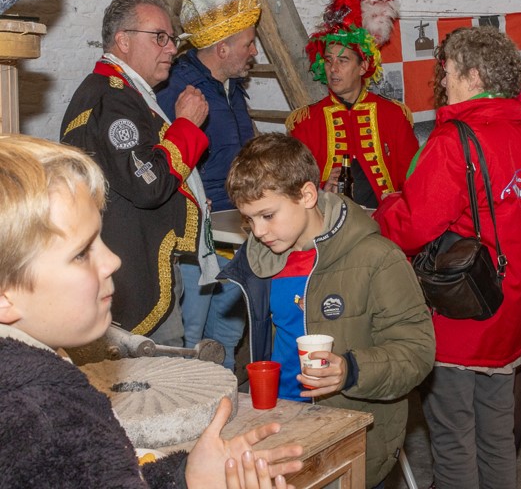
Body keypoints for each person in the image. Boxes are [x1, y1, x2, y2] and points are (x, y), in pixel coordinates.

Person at [0, 135, 303, 489]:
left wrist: (186, 478)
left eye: (101, 239)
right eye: (81, 253)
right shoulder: (45, 420)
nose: (113, 260)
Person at [375, 27, 521, 489]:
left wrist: (387, 204)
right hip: (510, 315)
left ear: (472, 75)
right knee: (498, 437)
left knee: (451, 441)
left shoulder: (453, 142)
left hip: (457, 317)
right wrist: (516, 264)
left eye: (446, 72)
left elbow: (410, 226)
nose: (442, 83)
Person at [221, 133, 435, 488]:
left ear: (306, 195)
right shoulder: (260, 263)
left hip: (347, 438)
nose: (258, 232)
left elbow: (417, 351)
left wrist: (350, 369)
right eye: (249, 220)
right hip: (275, 433)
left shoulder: (377, 259)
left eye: (268, 215)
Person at [61, 0, 216, 346]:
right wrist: (187, 126)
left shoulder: (122, 94)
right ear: (123, 40)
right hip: (133, 270)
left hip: (133, 258)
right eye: (159, 37)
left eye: (172, 39)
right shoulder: (113, 98)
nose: (171, 48)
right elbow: (147, 183)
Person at [157, 0, 259, 370]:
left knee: (229, 334)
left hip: (235, 234)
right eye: (248, 43)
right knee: (191, 338)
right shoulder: (177, 89)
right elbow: (163, 159)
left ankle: (222, 409)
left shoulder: (229, 87)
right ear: (222, 49)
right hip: (193, 237)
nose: (254, 51)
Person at [286, 0, 418, 209]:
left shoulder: (394, 116)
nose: (333, 69)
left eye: (343, 60)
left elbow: (414, 183)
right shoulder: (305, 122)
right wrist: (320, 191)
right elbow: (292, 189)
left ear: (363, 65)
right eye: (328, 61)